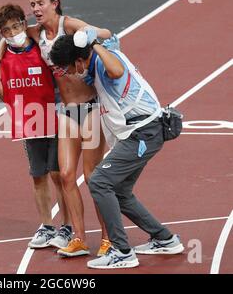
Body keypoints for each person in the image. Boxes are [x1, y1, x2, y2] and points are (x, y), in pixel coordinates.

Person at [0, 0, 119, 257]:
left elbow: (105, 33)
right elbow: (4, 40)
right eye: (32, 3)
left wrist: (95, 36)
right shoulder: (33, 33)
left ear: (55, 3)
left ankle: (109, 239)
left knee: (93, 178)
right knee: (66, 175)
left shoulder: (69, 25)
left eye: (40, 3)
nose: (35, 8)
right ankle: (79, 238)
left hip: (90, 109)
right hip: (65, 112)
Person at [50, 32, 184, 269]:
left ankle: (121, 251)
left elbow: (118, 71)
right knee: (120, 191)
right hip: (138, 133)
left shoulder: (104, 60)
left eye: (67, 68)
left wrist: (94, 44)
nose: (66, 74)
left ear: (79, 61)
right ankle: (165, 239)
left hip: (144, 132)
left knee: (100, 181)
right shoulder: (93, 62)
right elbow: (100, 33)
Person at [0, 3, 72, 249]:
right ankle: (47, 226)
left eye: (16, 26)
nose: (13, 32)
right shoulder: (0, 62)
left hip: (55, 115)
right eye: (7, 30)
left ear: (24, 24)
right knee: (38, 176)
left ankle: (66, 227)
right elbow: (7, 97)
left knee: (58, 174)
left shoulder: (41, 46)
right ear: (1, 34)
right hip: (29, 122)